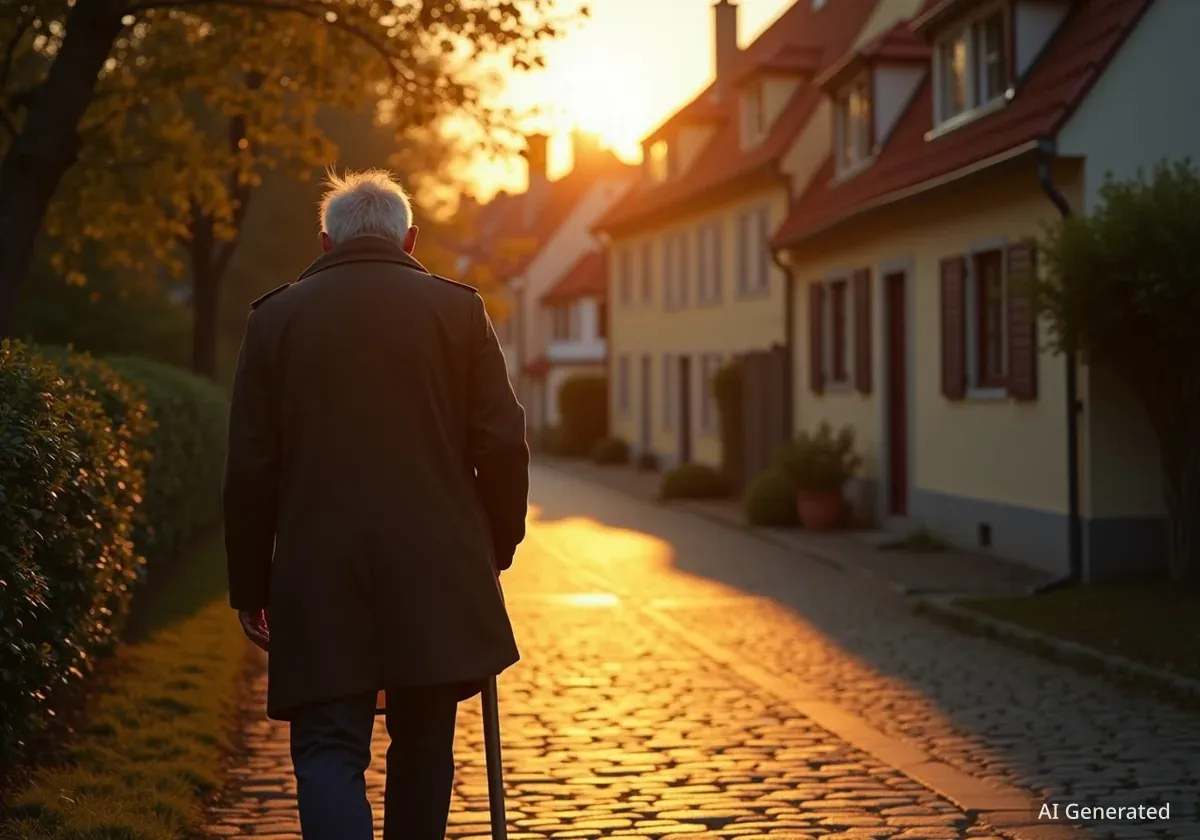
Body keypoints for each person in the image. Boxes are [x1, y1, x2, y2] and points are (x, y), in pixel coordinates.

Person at [223, 169, 529, 840]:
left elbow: (250, 467)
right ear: (409, 240)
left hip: (317, 572)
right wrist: (497, 546)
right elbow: (504, 444)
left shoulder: (275, 319)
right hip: (436, 572)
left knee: (328, 748)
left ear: (326, 243)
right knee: (423, 743)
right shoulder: (458, 312)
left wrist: (250, 584)